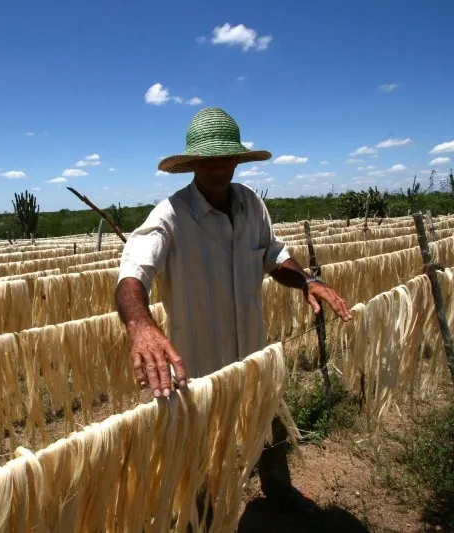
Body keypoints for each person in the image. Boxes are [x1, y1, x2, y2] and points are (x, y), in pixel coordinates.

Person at [115, 107, 353, 523]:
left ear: (237, 159)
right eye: (208, 158)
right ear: (192, 163)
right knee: (199, 448)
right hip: (200, 367)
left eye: (226, 157)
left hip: (252, 353)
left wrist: (307, 281)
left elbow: (274, 255)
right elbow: (133, 274)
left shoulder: (250, 205)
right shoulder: (170, 216)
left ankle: (278, 492)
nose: (218, 167)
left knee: (269, 427)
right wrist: (139, 324)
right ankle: (201, 516)